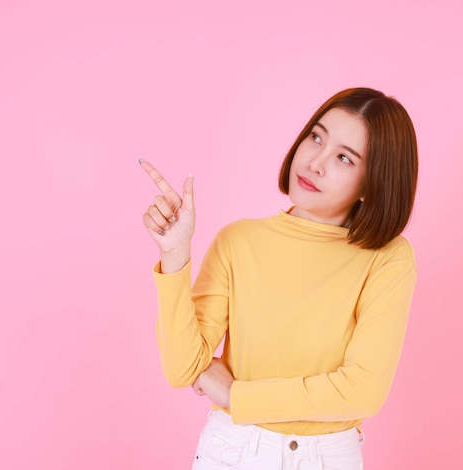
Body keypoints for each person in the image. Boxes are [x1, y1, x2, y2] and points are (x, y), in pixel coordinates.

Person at [140, 87, 418, 469]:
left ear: (374, 183)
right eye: (316, 137)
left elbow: (362, 391)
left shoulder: (387, 259)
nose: (315, 162)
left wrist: (239, 395)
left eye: (343, 157)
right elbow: (185, 368)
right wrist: (174, 255)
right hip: (234, 451)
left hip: (326, 458)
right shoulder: (238, 241)